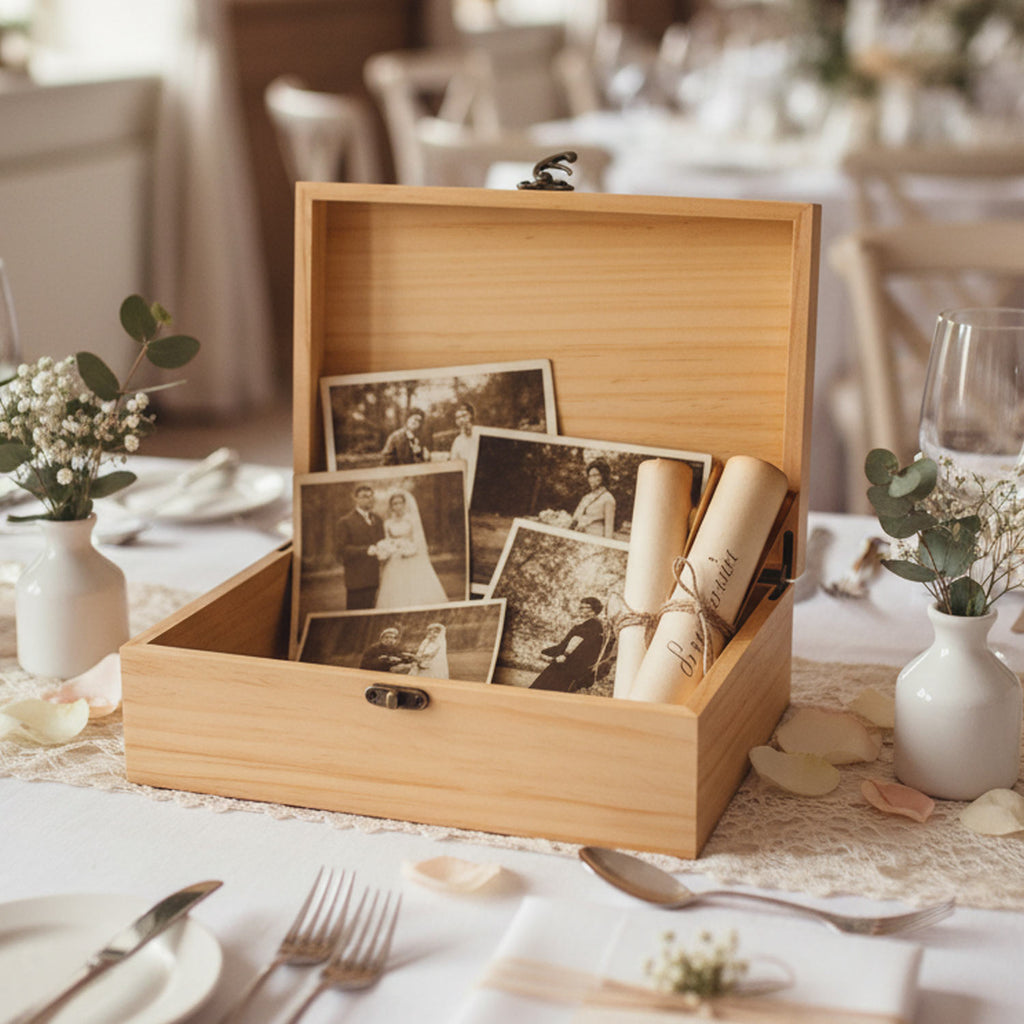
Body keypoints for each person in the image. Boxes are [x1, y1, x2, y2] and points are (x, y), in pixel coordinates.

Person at [375, 488, 449, 609]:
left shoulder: (412, 519)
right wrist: (386, 550)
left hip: (411, 557)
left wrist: (409, 550)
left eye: (400, 503)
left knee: (414, 586)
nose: (397, 506)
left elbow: (418, 540)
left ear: (405, 504)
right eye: (394, 504)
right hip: (395, 559)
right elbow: (388, 540)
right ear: (391, 506)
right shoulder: (387, 523)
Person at [530, 597, 606, 692]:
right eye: (581, 607)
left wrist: (564, 656)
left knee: (547, 683)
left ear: (594, 610)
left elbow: (578, 644)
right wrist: (544, 652)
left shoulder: (593, 625)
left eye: (586, 607)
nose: (581, 609)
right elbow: (563, 645)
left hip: (573, 666)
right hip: (568, 662)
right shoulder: (582, 625)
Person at [335, 484, 385, 610]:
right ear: (355, 499)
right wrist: (366, 550)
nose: (369, 499)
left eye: (370, 496)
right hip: (356, 580)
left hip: (374, 577)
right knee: (355, 615)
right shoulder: (345, 521)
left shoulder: (378, 519)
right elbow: (341, 550)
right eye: (364, 496)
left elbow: (382, 542)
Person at [570, 459, 616, 538]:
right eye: (590, 476)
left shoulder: (608, 499)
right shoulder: (586, 498)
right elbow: (575, 519)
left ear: (603, 476)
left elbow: (609, 530)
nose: (591, 479)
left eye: (595, 475)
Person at [448, 401, 475, 465]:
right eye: (458, 418)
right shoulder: (457, 441)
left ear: (471, 415)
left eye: (464, 415)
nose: (461, 420)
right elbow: (454, 464)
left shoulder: (480, 434)